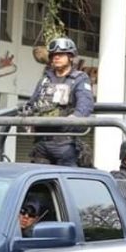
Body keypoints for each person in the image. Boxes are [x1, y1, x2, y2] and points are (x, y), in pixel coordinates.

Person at [24, 37, 94, 167]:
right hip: (41, 142)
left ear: (71, 57)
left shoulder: (79, 79)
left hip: (64, 143)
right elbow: (32, 103)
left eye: (61, 54)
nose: (56, 57)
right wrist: (28, 115)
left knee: (66, 177)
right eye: (54, 55)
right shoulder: (45, 80)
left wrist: (74, 118)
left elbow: (85, 105)